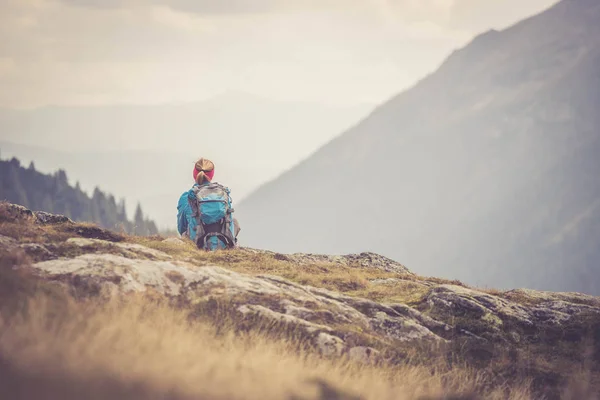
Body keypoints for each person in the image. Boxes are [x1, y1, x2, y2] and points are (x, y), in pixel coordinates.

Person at [177, 158, 240, 250]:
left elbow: (181, 227)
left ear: (194, 174)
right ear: (211, 175)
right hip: (223, 242)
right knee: (235, 222)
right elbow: (228, 220)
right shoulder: (222, 193)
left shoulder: (186, 197)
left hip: (196, 243)